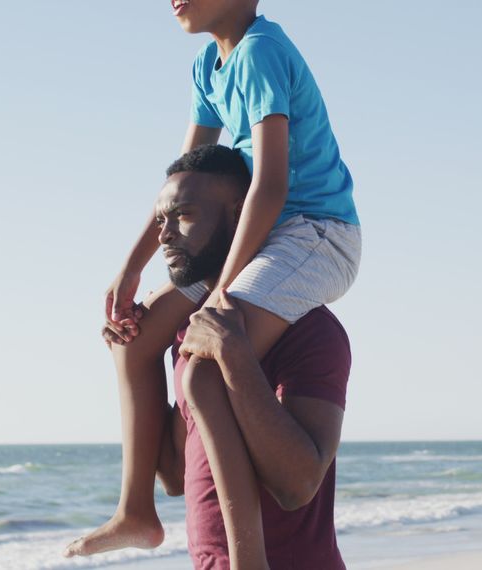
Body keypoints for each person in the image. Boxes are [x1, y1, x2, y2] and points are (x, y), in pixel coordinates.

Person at [64, 1, 360, 567]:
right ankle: (135, 511)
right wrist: (132, 267)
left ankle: (249, 560)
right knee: (141, 338)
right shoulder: (208, 65)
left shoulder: (261, 51)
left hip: (314, 233)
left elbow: (270, 187)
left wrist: (220, 293)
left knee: (204, 362)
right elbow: (184, 184)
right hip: (262, 234)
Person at [78, 145, 352, 569]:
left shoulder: (310, 330)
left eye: (184, 216)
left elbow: (298, 484)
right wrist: (128, 352)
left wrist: (236, 358)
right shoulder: (188, 336)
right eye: (160, 220)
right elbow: (174, 474)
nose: (165, 235)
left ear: (240, 214)